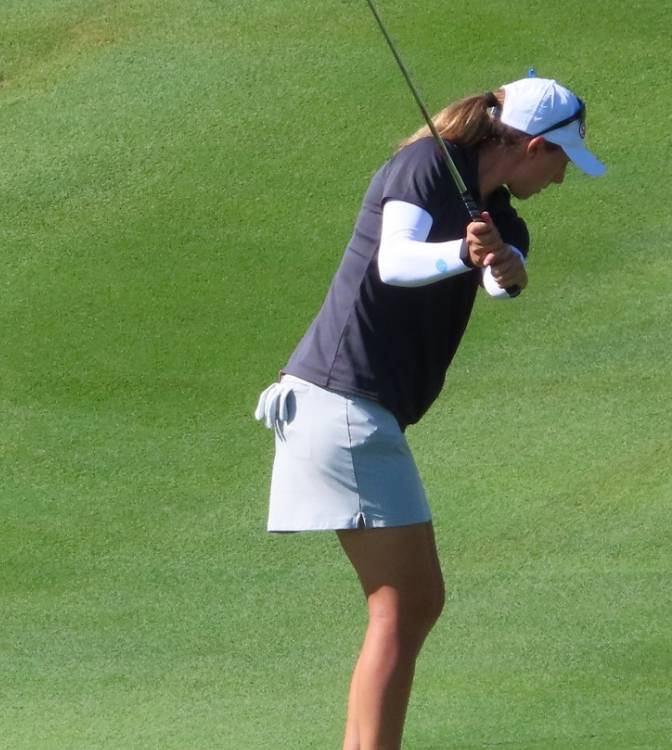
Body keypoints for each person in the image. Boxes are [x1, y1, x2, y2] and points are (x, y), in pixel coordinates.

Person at [253, 74, 604, 749]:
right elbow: (397, 262)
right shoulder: (421, 167)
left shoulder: (503, 216)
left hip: (355, 411)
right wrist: (463, 252)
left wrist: (502, 265)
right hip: (341, 402)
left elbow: (505, 283)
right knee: (407, 602)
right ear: (534, 145)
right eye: (561, 161)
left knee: (408, 602)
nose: (561, 179)